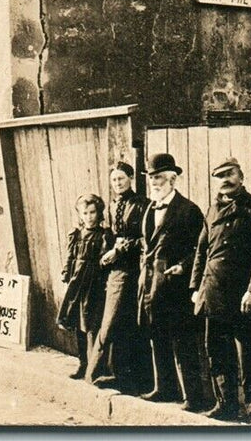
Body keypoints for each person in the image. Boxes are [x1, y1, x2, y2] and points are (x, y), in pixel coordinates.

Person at [190, 157, 251, 422]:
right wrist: (196, 286)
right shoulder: (212, 210)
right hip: (214, 292)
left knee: (250, 354)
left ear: (241, 176)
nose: (225, 180)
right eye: (220, 176)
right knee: (217, 352)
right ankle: (226, 405)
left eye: (230, 174)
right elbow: (202, 250)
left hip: (242, 296)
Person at [136, 152, 209, 412]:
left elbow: (202, 249)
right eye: (151, 179)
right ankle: (164, 388)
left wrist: (185, 266)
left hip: (175, 286)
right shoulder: (148, 208)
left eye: (159, 179)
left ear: (173, 180)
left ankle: (194, 396)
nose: (154, 183)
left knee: (182, 340)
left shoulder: (189, 210)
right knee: (157, 335)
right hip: (151, 284)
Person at [85, 162, 152, 393]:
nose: (117, 183)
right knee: (117, 323)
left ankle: (131, 379)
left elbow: (145, 239)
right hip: (115, 269)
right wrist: (107, 252)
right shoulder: (113, 205)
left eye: (121, 178)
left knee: (125, 323)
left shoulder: (142, 204)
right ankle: (114, 374)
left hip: (133, 270)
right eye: (114, 180)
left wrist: (119, 250)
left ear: (131, 178)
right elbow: (112, 235)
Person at [57, 193, 114, 380]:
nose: (89, 217)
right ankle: (82, 363)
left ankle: (95, 365)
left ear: (99, 214)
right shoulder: (76, 235)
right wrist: (66, 273)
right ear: (80, 215)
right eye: (85, 213)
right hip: (77, 283)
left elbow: (106, 261)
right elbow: (70, 257)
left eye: (92, 212)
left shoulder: (104, 235)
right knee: (78, 324)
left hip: (94, 284)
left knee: (92, 324)